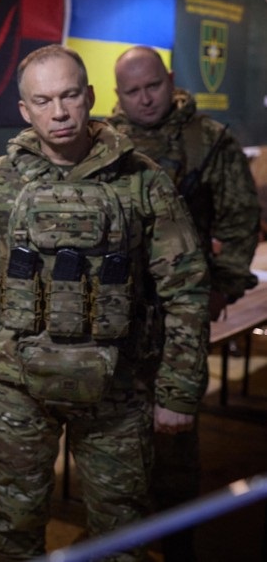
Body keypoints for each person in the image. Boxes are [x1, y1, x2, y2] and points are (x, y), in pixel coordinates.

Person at [0, 44, 209, 561]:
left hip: (118, 386)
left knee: (121, 525)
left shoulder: (141, 179)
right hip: (16, 384)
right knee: (17, 521)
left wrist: (178, 390)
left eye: (68, 96)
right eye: (43, 101)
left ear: (90, 96)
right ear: (24, 110)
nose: (58, 112)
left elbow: (186, 285)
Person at [109, 45, 260, 561]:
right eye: (133, 91)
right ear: (117, 94)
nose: (146, 98)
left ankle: (178, 546)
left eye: (153, 85)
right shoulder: (103, 142)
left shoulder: (208, 140)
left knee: (173, 437)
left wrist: (222, 287)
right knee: (112, 439)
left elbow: (240, 219)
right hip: (113, 316)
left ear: (171, 80)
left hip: (179, 314)